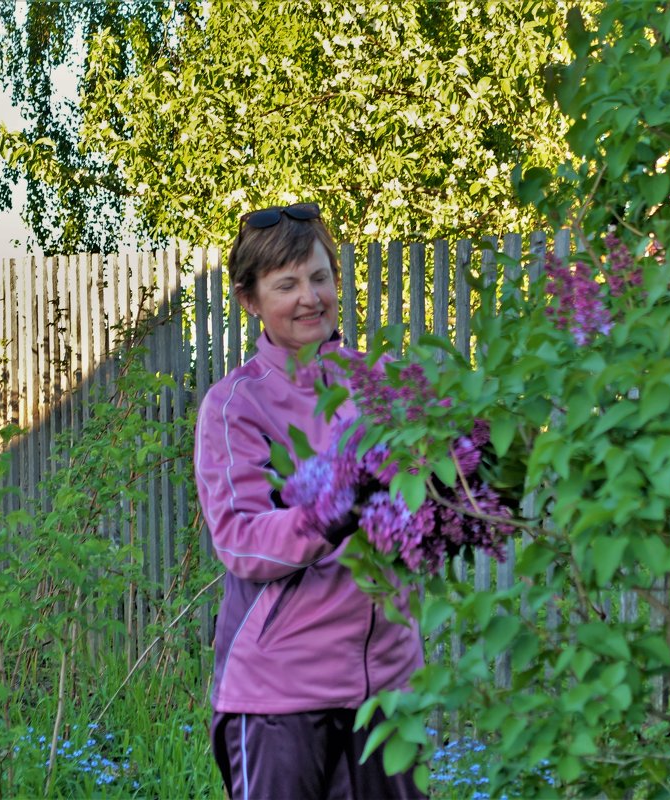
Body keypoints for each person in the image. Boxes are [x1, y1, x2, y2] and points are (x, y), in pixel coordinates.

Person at [194, 202, 425, 800]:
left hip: (387, 684)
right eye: (287, 284)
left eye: (319, 277)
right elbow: (240, 539)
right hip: (279, 695)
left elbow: (423, 516)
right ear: (250, 300)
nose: (309, 297)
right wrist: (334, 508)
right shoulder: (237, 405)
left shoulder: (380, 385)